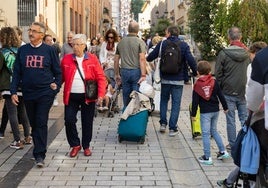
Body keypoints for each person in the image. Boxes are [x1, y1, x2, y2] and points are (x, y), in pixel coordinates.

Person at [10, 22, 61, 167]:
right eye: (30, 30)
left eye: (34, 31)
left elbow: (58, 72)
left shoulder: (49, 50)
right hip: (28, 93)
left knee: (41, 121)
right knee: (33, 122)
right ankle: (38, 149)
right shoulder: (23, 50)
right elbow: (17, 72)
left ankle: (39, 154)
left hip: (45, 93)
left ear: (42, 35)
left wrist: (55, 88)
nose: (30, 33)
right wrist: (14, 91)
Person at [217, 42, 267, 188]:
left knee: (250, 149)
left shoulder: (259, 61)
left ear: (254, 53)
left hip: (259, 115)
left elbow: (253, 97)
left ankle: (234, 178)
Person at [61, 34, 106, 158]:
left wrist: (101, 95)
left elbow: (101, 78)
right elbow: (61, 77)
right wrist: (54, 85)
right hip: (71, 95)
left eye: (77, 44)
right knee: (69, 120)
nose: (75, 47)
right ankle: (75, 144)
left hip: (88, 96)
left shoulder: (92, 59)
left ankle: (86, 146)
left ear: (84, 45)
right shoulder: (66, 59)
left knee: (87, 122)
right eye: (73, 44)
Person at [146, 26, 197, 137]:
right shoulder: (184, 45)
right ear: (178, 34)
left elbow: (150, 57)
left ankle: (163, 124)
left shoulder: (162, 44)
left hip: (164, 78)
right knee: (176, 104)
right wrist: (195, 72)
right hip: (178, 80)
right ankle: (173, 128)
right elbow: (191, 60)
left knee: (164, 101)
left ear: (168, 33)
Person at [215, 26, 250, 150]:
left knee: (230, 119)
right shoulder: (247, 53)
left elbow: (218, 73)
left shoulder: (223, 53)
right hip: (244, 90)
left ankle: (232, 144)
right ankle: (247, 142)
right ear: (240, 37)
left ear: (229, 38)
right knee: (245, 118)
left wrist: (217, 91)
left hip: (228, 90)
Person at [191, 61, 229, 165]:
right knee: (214, 131)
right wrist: (225, 107)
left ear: (198, 72)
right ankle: (223, 151)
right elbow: (221, 95)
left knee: (206, 134)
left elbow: (195, 102)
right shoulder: (214, 82)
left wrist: (193, 115)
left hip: (205, 113)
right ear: (210, 71)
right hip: (215, 110)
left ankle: (207, 157)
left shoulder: (197, 85)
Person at [0, 26, 32, 149]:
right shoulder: (21, 50)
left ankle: (17, 141)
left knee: (12, 112)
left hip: (9, 86)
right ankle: (28, 137)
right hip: (23, 85)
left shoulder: (3, 52)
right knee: (23, 111)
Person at [114, 20, 147, 107]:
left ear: (128, 29)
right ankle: (134, 117)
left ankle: (126, 114)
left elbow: (116, 60)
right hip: (136, 71)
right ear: (137, 30)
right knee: (136, 96)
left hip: (124, 71)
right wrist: (143, 74)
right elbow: (142, 58)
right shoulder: (140, 42)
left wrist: (117, 74)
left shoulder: (121, 42)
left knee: (126, 95)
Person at [43, 34, 61, 106]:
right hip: (46, 72)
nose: (50, 42)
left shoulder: (54, 48)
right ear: (44, 41)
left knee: (53, 84)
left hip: (53, 70)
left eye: (51, 40)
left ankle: (55, 97)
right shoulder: (42, 50)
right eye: (48, 40)